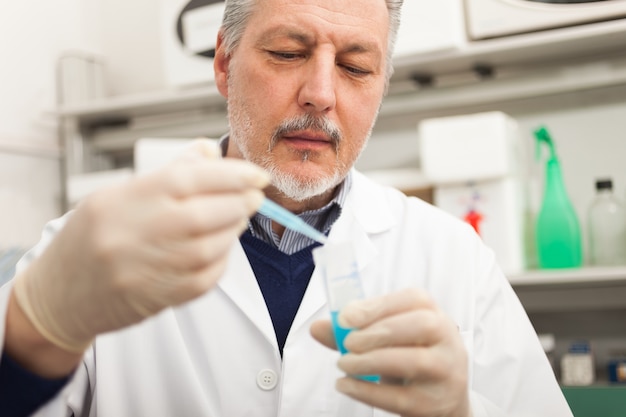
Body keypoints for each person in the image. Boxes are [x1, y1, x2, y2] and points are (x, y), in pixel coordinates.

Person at [0, 0, 573, 416]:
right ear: (224, 64)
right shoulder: (88, 250)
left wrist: (463, 413)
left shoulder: (455, 260)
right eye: (287, 52)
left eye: (355, 66)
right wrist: (31, 340)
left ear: (383, 85)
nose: (321, 92)